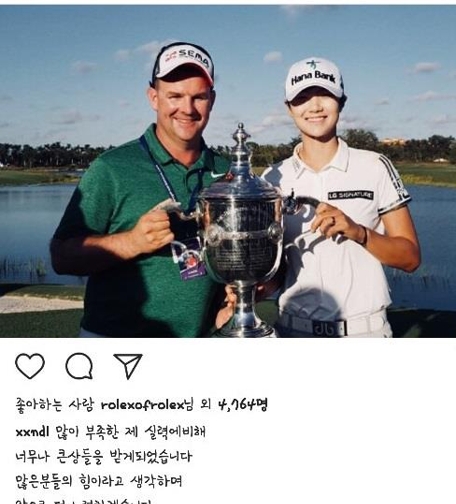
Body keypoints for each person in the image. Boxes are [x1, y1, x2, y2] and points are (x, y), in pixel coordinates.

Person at [50, 42, 232, 337]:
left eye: (198, 97)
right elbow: (61, 257)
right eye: (175, 96)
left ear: (212, 100)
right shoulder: (112, 168)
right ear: (153, 98)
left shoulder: (228, 173)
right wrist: (132, 241)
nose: (187, 109)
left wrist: (228, 300)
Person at [262, 56, 421, 338]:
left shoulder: (374, 166)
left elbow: (410, 258)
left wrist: (359, 232)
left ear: (341, 102)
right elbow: (273, 271)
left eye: (325, 94)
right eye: (302, 98)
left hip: (364, 334)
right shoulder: (272, 178)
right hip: (293, 331)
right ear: (289, 108)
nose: (314, 106)